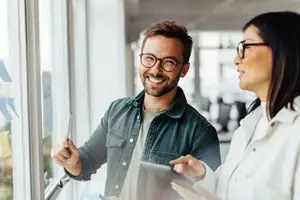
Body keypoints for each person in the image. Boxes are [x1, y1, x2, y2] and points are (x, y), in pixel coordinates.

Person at [51, 21, 221, 200]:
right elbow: (86, 163)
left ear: (184, 70)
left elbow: (212, 193)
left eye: (168, 62)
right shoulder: (117, 111)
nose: (155, 70)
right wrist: (72, 162)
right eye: (149, 58)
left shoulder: (200, 131)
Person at [170, 11, 300, 200]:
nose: (236, 59)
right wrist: (203, 175)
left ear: (282, 51)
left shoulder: (295, 131)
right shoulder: (250, 126)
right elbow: (233, 190)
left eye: (246, 47)